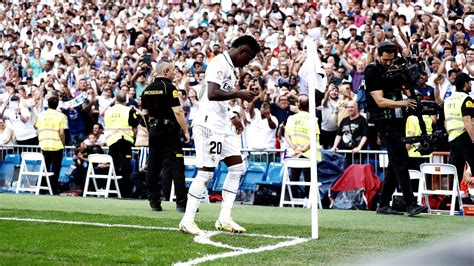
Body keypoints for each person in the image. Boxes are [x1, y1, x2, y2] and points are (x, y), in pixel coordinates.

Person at [179, 35, 260, 237]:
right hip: (208, 126)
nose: (247, 63)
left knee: (236, 167)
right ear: (242, 51)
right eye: (248, 58)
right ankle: (187, 220)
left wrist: (233, 116)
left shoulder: (229, 68)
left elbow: (221, 101)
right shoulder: (219, 64)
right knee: (205, 173)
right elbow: (212, 94)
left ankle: (224, 218)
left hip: (222, 126)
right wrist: (239, 93)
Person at [364, 41, 427, 216]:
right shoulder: (372, 70)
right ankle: (410, 203)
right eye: (385, 60)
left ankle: (383, 204)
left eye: (391, 60)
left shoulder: (397, 67)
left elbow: (405, 87)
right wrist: (404, 102)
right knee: (400, 160)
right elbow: (380, 101)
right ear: (378, 56)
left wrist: (410, 92)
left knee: (395, 162)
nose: (389, 63)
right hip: (383, 121)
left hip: (398, 119)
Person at [141, 59, 190, 212]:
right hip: (169, 131)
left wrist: (151, 129)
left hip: (154, 131)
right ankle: (181, 204)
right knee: (177, 165)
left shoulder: (147, 89)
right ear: (166, 72)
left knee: (153, 166)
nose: (175, 73)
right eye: (173, 70)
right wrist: (186, 130)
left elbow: (144, 114)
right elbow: (178, 111)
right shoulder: (169, 88)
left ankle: (154, 203)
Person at [284, 95, 321, 199]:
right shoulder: (313, 119)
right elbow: (313, 137)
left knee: (294, 178)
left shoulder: (291, 118)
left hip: (294, 153)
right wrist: (303, 149)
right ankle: (307, 201)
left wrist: (295, 148)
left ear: (297, 105)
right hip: (308, 154)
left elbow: (286, 135)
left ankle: (294, 201)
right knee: (309, 179)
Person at [103, 91, 139, 198]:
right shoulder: (129, 110)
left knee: (113, 166)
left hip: (112, 141)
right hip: (125, 140)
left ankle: (112, 190)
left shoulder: (108, 110)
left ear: (116, 99)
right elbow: (135, 124)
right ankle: (124, 192)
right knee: (125, 167)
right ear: (126, 100)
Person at [443, 73, 474, 187]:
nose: (470, 84)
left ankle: (453, 201)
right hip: (464, 136)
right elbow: (467, 121)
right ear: (465, 84)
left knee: (455, 172)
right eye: (469, 83)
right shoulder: (466, 99)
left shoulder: (448, 100)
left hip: (452, 137)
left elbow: (445, 122)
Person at [35, 96, 68, 195]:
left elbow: (38, 129)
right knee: (55, 168)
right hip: (56, 145)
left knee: (44, 168)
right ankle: (53, 189)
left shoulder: (41, 115)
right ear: (57, 105)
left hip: (44, 144)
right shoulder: (61, 116)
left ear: (47, 104)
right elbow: (62, 133)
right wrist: (63, 144)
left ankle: (41, 187)